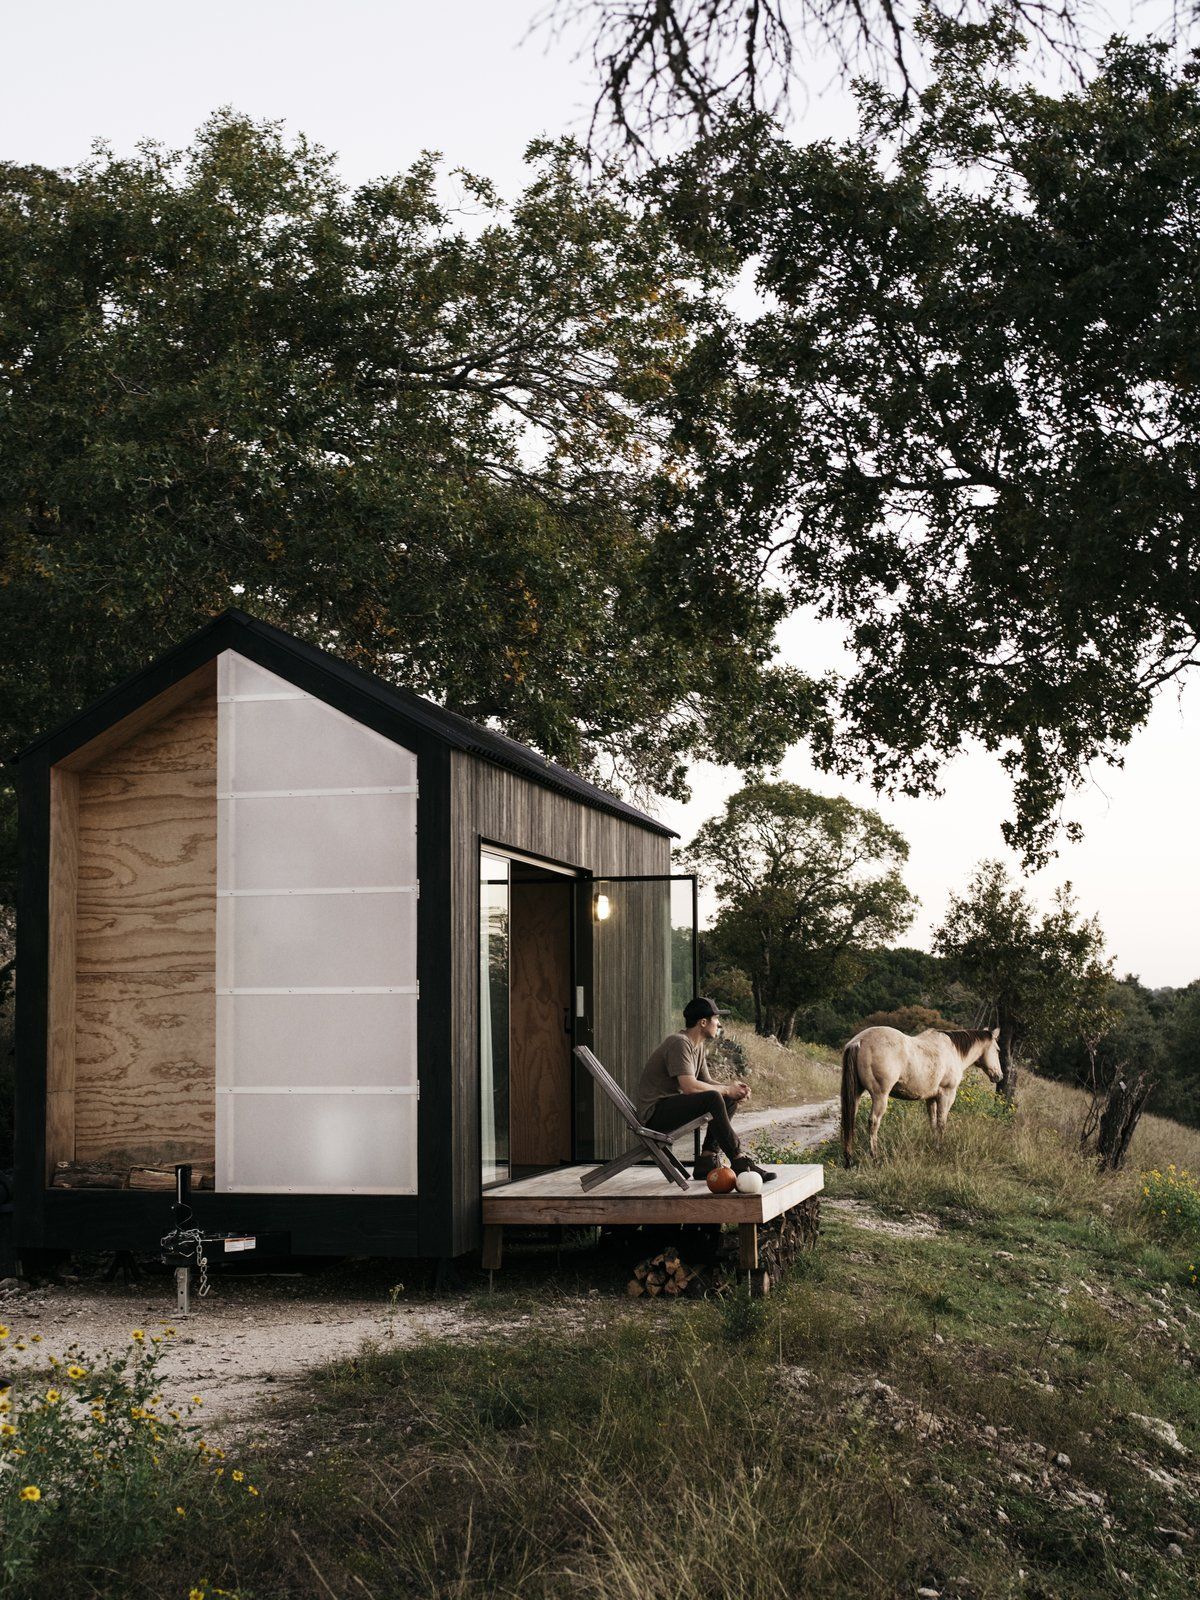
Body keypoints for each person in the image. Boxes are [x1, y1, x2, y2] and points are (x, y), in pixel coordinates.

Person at [634, 997, 776, 1182]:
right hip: (654, 1116)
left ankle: (706, 1160)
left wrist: (733, 1090)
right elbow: (689, 1086)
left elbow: (706, 1081)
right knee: (714, 1097)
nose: (719, 1024)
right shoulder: (679, 1042)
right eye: (716, 1019)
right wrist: (725, 1089)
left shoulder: (697, 1046)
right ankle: (739, 1160)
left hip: (669, 1108)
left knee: (725, 1098)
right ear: (703, 1022)